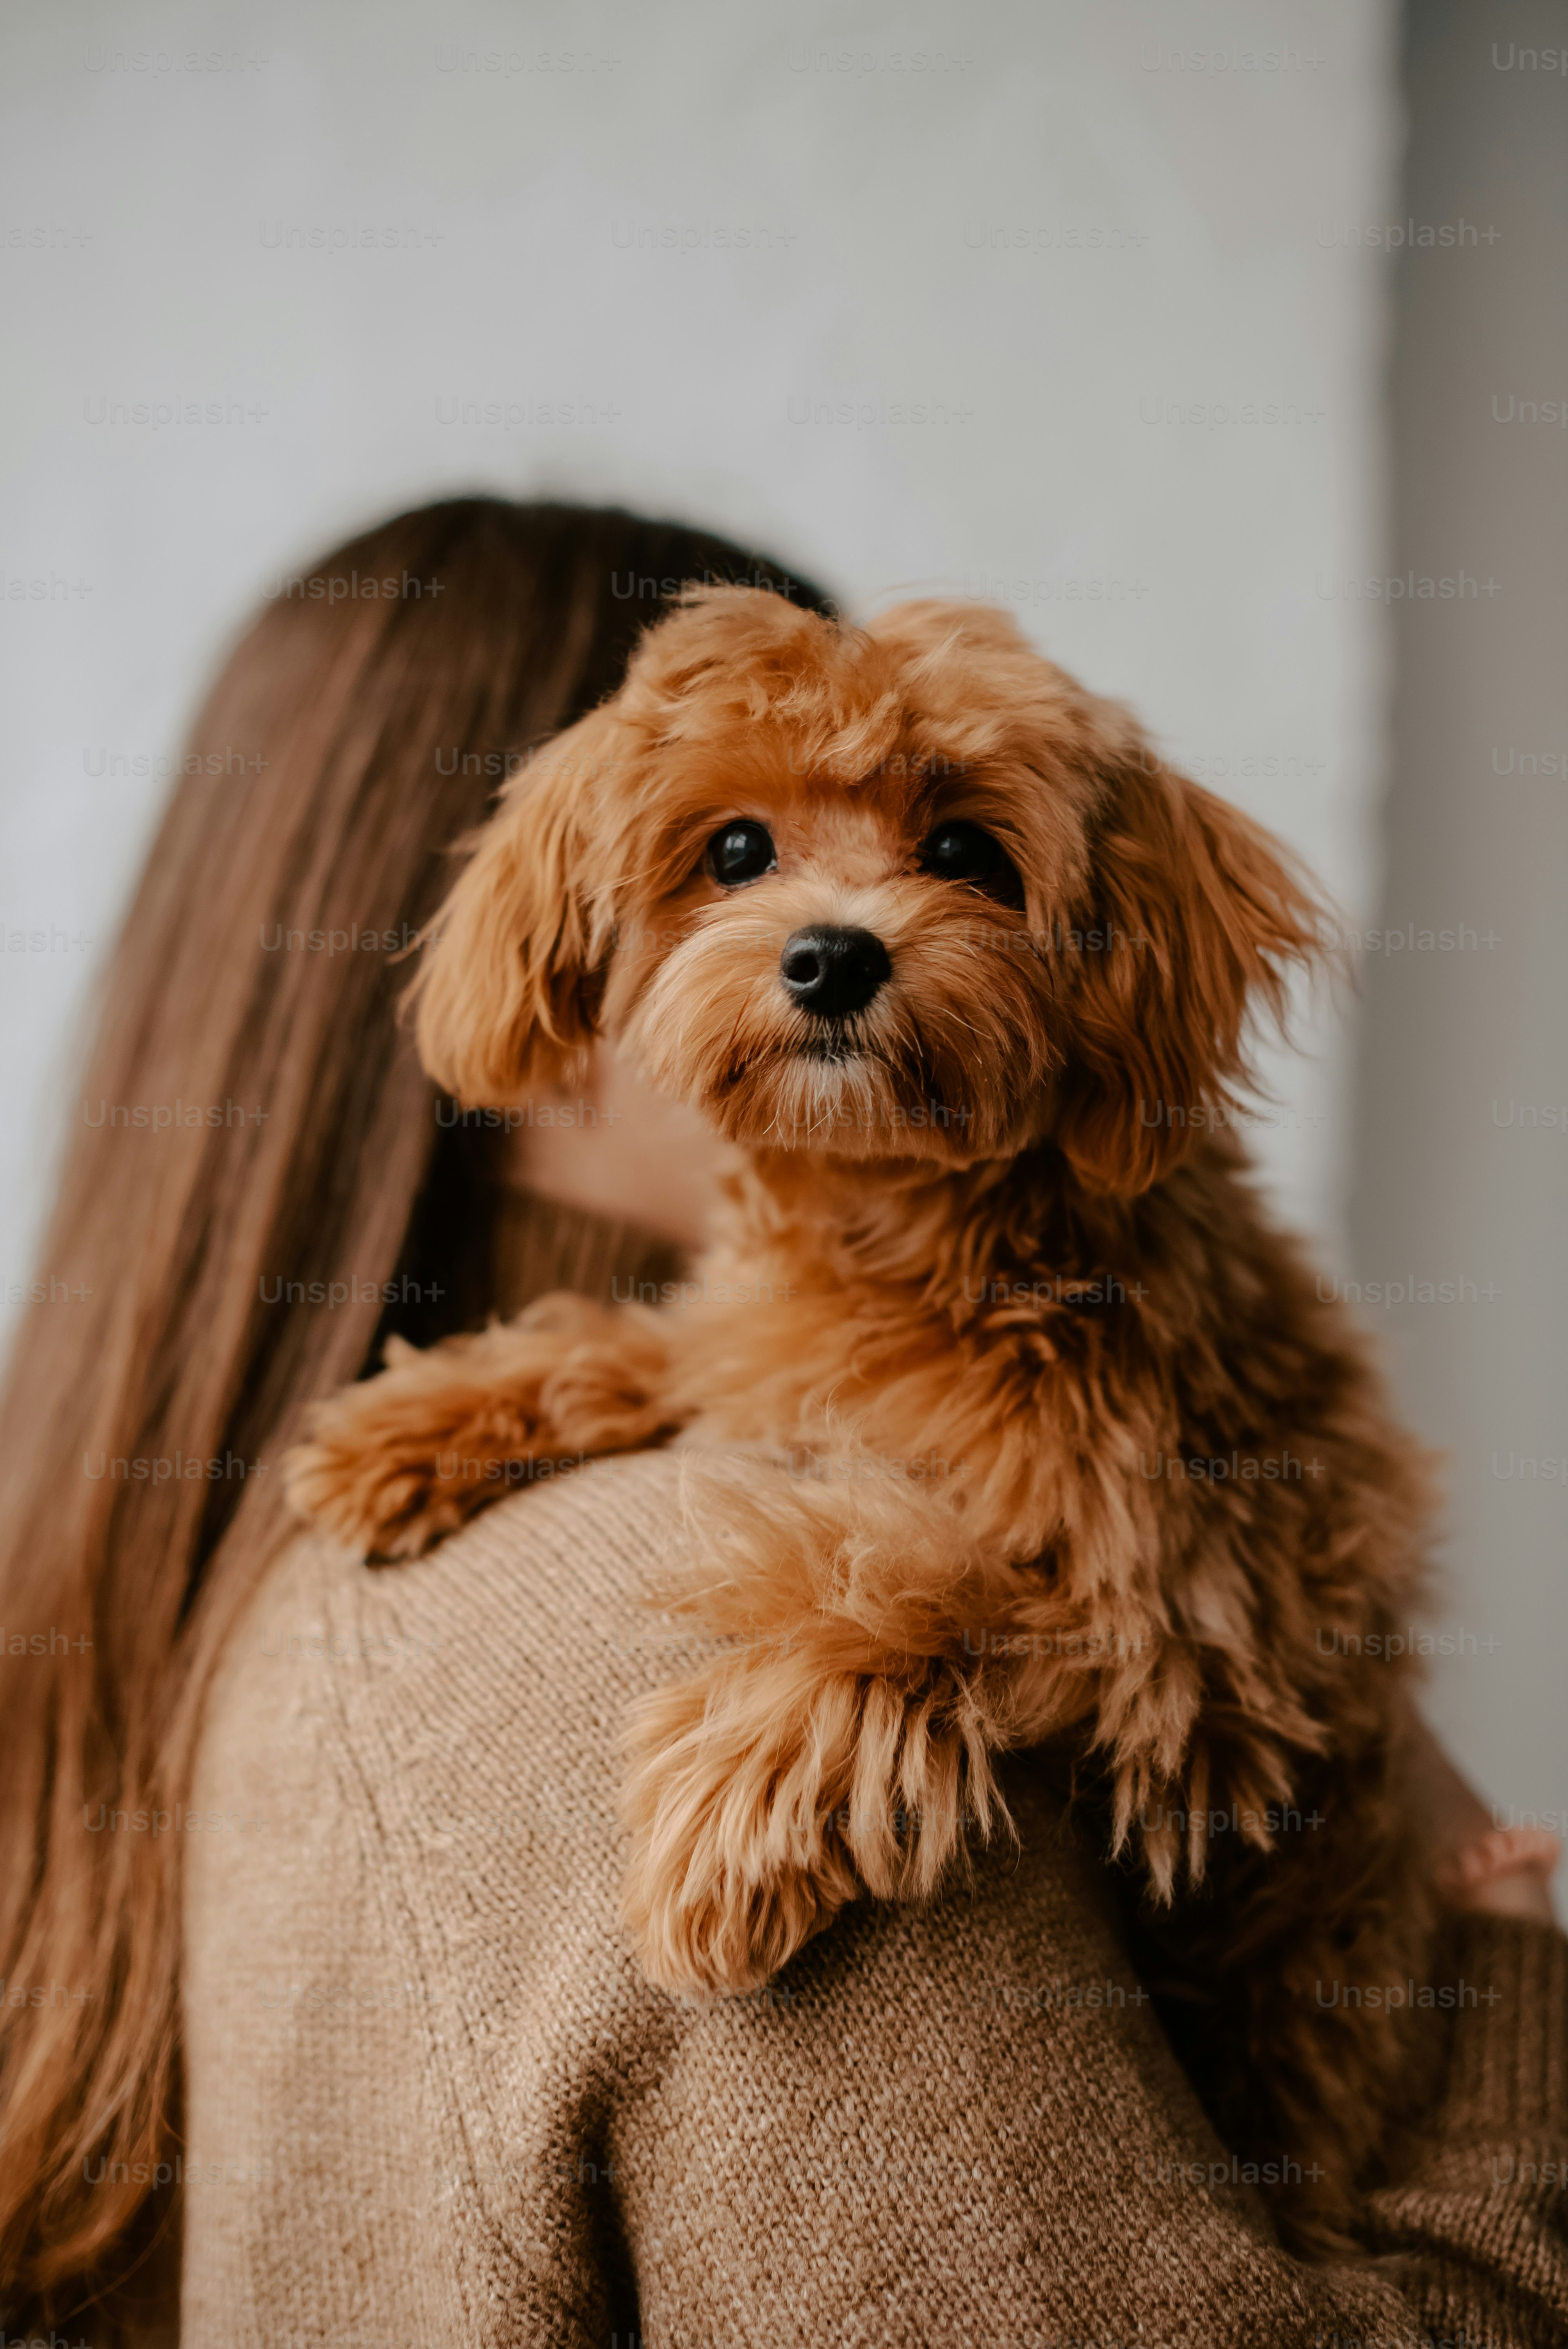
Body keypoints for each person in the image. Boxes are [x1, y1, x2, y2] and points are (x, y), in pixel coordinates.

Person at [0, 499, 1559, 2344]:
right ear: (572, 965)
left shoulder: (253, 1609)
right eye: (732, 854)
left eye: (961, 855)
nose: (832, 927)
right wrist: (1502, 1952)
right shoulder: (686, 1613)